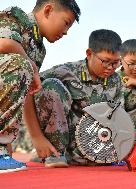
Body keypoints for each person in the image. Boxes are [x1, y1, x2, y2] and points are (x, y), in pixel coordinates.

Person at [0, 0, 81, 173]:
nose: (65, 32)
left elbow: (27, 91)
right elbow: (3, 42)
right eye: (66, 23)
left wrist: (36, 136)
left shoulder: (39, 48)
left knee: (34, 75)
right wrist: (31, 65)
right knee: (21, 64)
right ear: (48, 10)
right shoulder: (17, 15)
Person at [29, 29, 123, 167]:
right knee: (51, 85)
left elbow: (119, 116)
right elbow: (29, 87)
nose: (110, 68)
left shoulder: (116, 80)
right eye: (105, 61)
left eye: (116, 63)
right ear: (89, 54)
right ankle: (56, 153)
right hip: (66, 137)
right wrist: (36, 136)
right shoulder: (67, 71)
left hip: (96, 141)